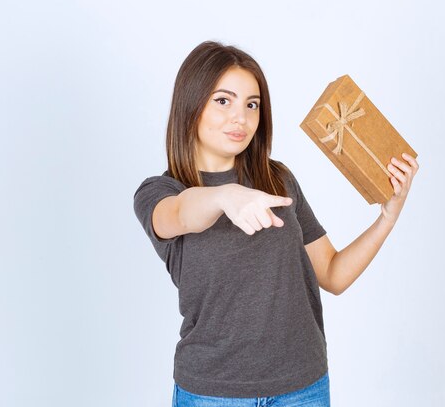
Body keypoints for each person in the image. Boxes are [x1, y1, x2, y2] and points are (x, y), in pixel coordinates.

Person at [133, 40, 419, 407]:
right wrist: (224, 196)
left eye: (252, 104)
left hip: (303, 387)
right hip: (213, 393)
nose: (242, 117)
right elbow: (180, 213)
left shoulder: (278, 181)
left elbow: (333, 274)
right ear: (191, 106)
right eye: (224, 100)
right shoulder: (160, 192)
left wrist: (387, 218)